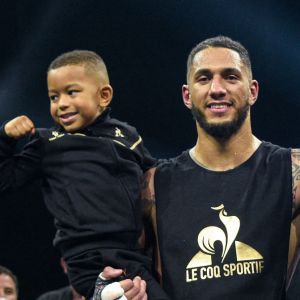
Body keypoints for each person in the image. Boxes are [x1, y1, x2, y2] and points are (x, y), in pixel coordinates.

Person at [134, 35, 300, 299]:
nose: (217, 88)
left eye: (231, 76)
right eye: (204, 78)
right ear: (187, 95)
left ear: (252, 91)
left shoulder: (293, 172)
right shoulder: (154, 184)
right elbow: (120, 267)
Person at [0, 50, 169, 300]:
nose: (61, 104)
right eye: (53, 97)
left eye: (71, 92)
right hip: (86, 259)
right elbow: (6, 179)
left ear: (104, 95)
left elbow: (158, 178)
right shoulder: (47, 143)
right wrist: (4, 138)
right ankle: (104, 293)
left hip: (131, 257)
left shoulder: (128, 136)